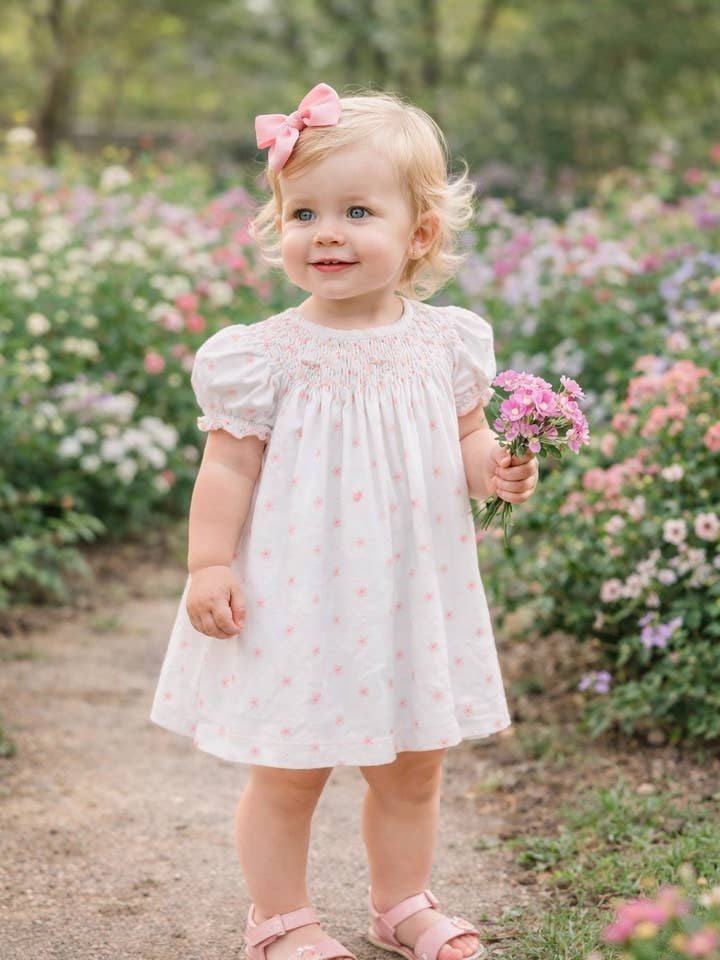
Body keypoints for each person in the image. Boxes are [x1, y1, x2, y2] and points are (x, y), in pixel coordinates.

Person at [150, 82, 538, 960]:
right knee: (291, 770)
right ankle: (278, 919)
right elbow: (227, 464)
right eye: (303, 213)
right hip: (299, 596)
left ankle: (400, 902)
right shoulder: (262, 355)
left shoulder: (448, 344)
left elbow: (470, 447)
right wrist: (209, 563)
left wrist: (503, 471)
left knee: (413, 767)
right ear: (278, 224)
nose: (325, 231)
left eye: (357, 210)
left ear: (420, 234)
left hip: (409, 593)